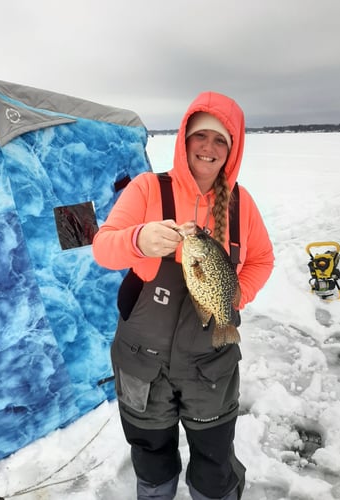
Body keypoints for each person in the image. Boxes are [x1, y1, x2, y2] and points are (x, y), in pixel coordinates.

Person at [92, 91, 274, 499]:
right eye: (200, 136)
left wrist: (233, 297)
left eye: (220, 140)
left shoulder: (242, 205)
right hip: (141, 365)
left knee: (214, 460)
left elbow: (262, 258)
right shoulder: (146, 189)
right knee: (151, 456)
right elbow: (103, 247)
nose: (208, 148)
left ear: (233, 148)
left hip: (211, 365)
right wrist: (138, 239)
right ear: (183, 139)